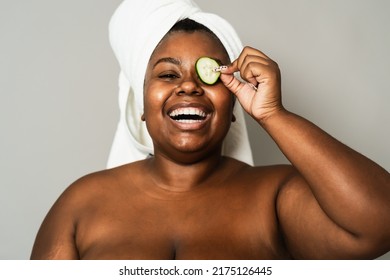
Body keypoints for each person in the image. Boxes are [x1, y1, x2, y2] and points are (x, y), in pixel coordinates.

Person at [30, 1, 390, 260]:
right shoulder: (81, 203)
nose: (188, 87)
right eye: (168, 74)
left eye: (210, 74)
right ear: (140, 106)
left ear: (235, 105)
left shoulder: (274, 198)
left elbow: (380, 223)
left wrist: (273, 114)